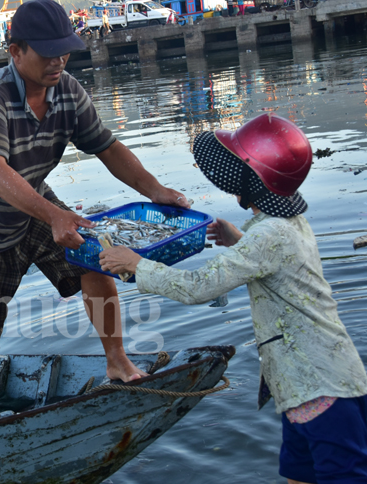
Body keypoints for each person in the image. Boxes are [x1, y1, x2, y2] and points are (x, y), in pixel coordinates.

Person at [0, 0, 189, 432]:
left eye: (64, 50)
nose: (58, 61)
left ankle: (118, 363)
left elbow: (106, 147)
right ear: (15, 51)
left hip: (32, 200)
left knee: (94, 260)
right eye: (47, 52)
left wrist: (157, 190)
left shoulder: (68, 90)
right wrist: (54, 215)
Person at [99, 113, 367, 483]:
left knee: (343, 476)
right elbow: (281, 262)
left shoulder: (268, 235)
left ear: (249, 181)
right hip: (308, 383)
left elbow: (198, 286)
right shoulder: (284, 225)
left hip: (320, 386)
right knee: (297, 472)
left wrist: (137, 263)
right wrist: (237, 238)